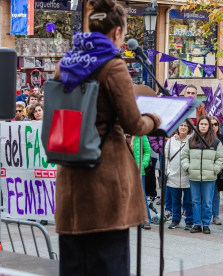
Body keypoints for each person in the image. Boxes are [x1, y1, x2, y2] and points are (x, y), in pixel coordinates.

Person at [54, 1, 161, 273]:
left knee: (74, 266)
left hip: (71, 179)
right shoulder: (112, 66)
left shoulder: (65, 64)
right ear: (117, 32)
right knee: (108, 264)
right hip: (105, 185)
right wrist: (155, 119)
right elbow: (134, 124)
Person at [181, 116, 223, 234]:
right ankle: (196, 224)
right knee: (195, 201)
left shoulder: (216, 142)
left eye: (206, 124)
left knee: (207, 201)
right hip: (194, 175)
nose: (203, 126)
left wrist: (214, 170)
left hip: (209, 177)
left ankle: (205, 224)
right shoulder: (191, 140)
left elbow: (220, 158)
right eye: (201, 124)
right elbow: (184, 156)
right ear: (197, 126)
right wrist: (188, 167)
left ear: (209, 126)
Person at [166, 121, 193, 230]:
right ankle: (175, 220)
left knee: (188, 201)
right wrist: (168, 171)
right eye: (181, 125)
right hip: (174, 175)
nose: (183, 127)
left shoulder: (192, 141)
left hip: (188, 176)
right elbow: (166, 157)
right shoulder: (171, 141)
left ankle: (189, 221)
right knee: (175, 200)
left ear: (189, 128)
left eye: (185, 126)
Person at [132, 135, 152, 230]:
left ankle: (146, 220)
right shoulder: (120, 134)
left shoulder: (141, 135)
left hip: (139, 170)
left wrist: (143, 164)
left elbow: (147, 151)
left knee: (142, 195)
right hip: (124, 170)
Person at [211, 116, 223, 225]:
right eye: (211, 125)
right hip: (205, 169)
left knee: (216, 193)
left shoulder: (221, 137)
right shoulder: (201, 137)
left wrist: (218, 166)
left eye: (215, 124)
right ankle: (204, 215)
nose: (213, 127)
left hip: (218, 170)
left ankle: (215, 215)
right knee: (204, 195)